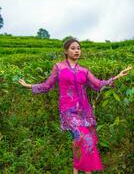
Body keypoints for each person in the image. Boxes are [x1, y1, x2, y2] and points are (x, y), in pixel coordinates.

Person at [18, 38, 132, 174]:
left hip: (85, 112)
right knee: (83, 138)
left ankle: (79, 171)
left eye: (78, 48)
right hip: (68, 112)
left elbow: (98, 84)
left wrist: (117, 76)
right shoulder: (59, 67)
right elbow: (47, 85)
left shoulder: (84, 70)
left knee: (84, 142)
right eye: (73, 48)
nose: (76, 50)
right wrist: (28, 85)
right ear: (66, 51)